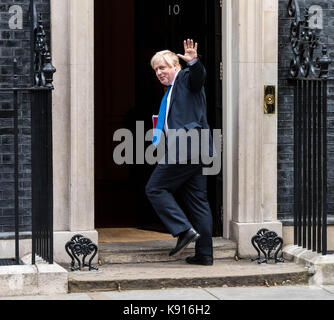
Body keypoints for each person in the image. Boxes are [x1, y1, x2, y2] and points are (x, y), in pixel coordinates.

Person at [145, 39, 214, 266]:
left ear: (176, 66)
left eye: (163, 67)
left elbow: (198, 78)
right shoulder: (171, 91)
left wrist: (193, 62)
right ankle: (204, 254)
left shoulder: (185, 79)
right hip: (196, 149)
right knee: (198, 201)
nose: (159, 72)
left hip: (187, 147)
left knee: (155, 188)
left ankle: (183, 230)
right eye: (156, 69)